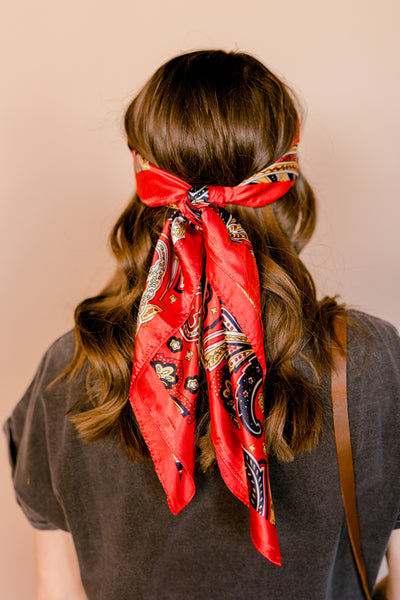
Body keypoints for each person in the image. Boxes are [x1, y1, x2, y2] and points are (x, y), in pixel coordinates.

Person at [4, 50, 400, 600]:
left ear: (142, 170)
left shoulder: (70, 366)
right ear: (286, 174)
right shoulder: (374, 360)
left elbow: (57, 594)